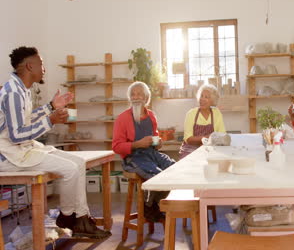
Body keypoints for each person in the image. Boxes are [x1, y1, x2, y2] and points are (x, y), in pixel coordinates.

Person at [0, 46, 111, 239]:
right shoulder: (12, 93)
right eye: (41, 64)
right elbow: (17, 135)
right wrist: (50, 120)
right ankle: (68, 218)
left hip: (22, 148)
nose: (44, 68)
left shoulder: (22, 89)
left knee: (78, 163)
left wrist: (51, 107)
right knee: (69, 169)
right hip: (9, 155)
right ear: (29, 66)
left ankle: (80, 218)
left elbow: (25, 120)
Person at [112, 81, 175, 221]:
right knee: (157, 176)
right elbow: (116, 146)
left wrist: (158, 143)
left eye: (140, 94)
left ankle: (156, 205)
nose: (136, 97)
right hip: (133, 158)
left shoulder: (151, 116)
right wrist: (137, 144)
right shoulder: (122, 118)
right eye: (133, 94)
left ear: (146, 98)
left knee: (174, 169)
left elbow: (155, 136)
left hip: (151, 154)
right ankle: (149, 207)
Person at [179, 84, 226, 159]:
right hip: (190, 150)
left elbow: (222, 135)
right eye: (201, 96)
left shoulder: (216, 113)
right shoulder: (191, 113)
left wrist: (208, 142)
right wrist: (207, 138)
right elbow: (188, 139)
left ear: (212, 101)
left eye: (206, 97)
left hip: (209, 148)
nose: (202, 99)